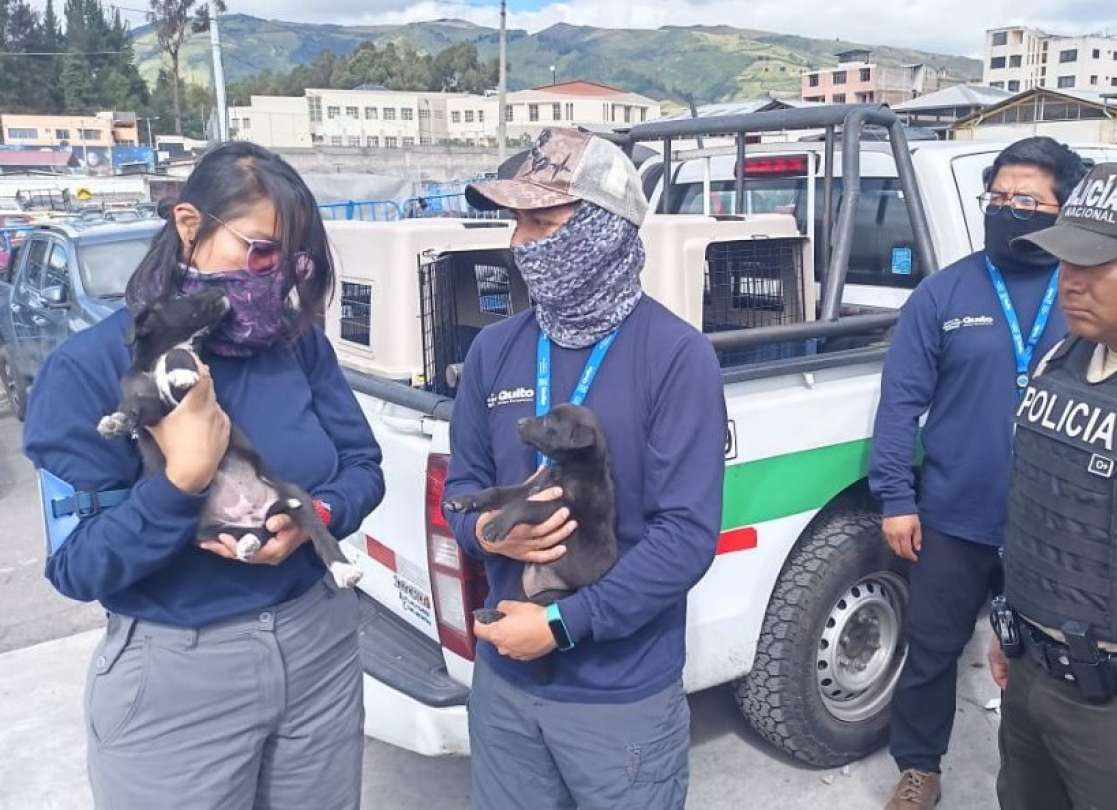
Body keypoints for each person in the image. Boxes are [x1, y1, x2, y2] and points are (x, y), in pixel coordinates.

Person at [24, 141, 384, 810]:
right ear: (189, 225)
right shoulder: (88, 369)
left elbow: (362, 467)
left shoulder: (297, 344)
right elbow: (78, 566)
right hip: (179, 673)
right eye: (261, 252)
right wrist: (179, 483)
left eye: (295, 261)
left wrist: (317, 519)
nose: (278, 280)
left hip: (318, 646)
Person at [444, 127, 726, 810]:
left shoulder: (678, 358)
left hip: (617, 697)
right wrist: (486, 535)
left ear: (604, 232)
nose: (519, 244)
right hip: (506, 685)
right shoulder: (494, 351)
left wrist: (564, 625)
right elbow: (461, 491)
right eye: (515, 223)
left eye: (541, 222)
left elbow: (685, 536)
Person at [869, 136, 1087, 810]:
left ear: (1063, 208)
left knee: (1053, 667)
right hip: (954, 516)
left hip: (1057, 525)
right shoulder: (945, 292)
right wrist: (896, 498)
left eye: (1029, 200)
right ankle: (919, 769)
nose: (1010, 210)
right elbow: (901, 400)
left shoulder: (1087, 290)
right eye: (999, 198)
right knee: (932, 651)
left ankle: (1048, 780)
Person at [987, 161, 1117, 810]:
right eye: (1063, 258)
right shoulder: (1066, 357)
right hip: (1031, 680)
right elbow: (1042, 508)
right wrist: (1011, 622)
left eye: (1095, 263)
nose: (1068, 279)